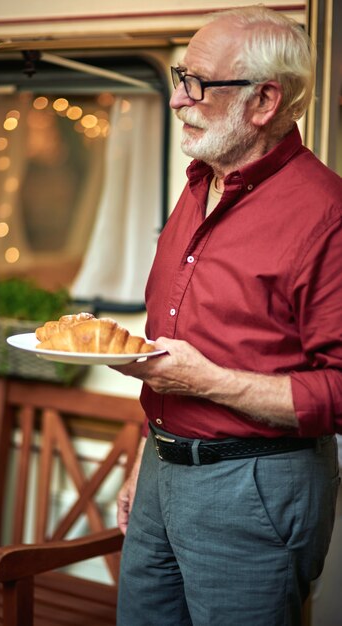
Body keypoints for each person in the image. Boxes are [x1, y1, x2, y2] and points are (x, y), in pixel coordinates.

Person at [113, 5, 342, 626]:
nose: (177, 100)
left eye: (197, 83)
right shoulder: (196, 187)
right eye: (178, 77)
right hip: (163, 470)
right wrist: (147, 459)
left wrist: (205, 382)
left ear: (265, 101)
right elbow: (173, 347)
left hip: (255, 486)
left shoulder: (327, 215)